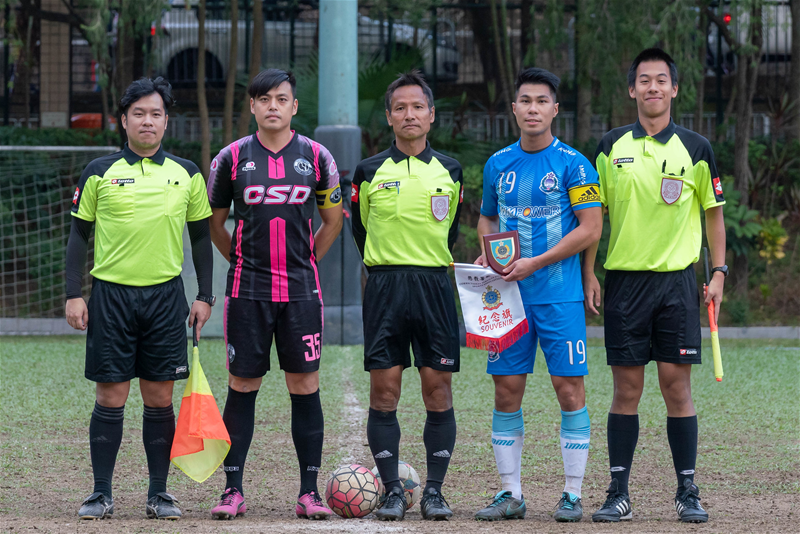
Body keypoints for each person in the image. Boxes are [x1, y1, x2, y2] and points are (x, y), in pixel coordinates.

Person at [586, 48, 726, 524]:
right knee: (626, 389)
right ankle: (618, 493)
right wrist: (589, 271)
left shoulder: (696, 148)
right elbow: (593, 217)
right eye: (644, 80)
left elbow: (713, 214)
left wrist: (719, 272)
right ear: (632, 90)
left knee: (676, 387)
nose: (652, 87)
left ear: (674, 89)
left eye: (661, 80)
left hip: (677, 287)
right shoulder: (610, 147)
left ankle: (687, 490)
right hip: (624, 284)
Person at [65, 77, 214, 520]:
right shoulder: (99, 171)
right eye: (139, 113)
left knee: (159, 397)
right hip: (110, 296)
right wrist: (73, 294)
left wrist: (205, 295)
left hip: (166, 297)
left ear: (167, 121)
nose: (147, 121)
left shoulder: (187, 173)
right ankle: (100, 494)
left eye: (155, 114)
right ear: (124, 120)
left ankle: (159, 494)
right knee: (110, 395)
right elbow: (78, 235)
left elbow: (201, 238)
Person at [206, 68, 343, 520]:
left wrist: (304, 262)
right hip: (247, 291)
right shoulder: (230, 158)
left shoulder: (318, 156)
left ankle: (309, 493)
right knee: (242, 385)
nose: (272, 106)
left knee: (304, 385)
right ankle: (232, 490)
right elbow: (215, 223)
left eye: (281, 99)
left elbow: (333, 221)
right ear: (252, 106)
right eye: (264, 99)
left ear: (294, 106)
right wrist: (242, 260)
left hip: (302, 292)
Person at [472, 68, 603, 522]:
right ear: (514, 108)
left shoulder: (575, 164)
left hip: (559, 295)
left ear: (555, 109)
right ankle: (511, 494)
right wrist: (488, 251)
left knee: (569, 388)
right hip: (508, 298)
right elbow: (487, 217)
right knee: (507, 390)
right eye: (525, 101)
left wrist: (536, 262)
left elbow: (591, 228)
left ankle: (572, 494)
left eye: (541, 101)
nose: (533, 109)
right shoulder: (497, 164)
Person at [350, 70, 463, 521]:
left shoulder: (451, 171)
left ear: (431, 115)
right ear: (389, 116)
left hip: (434, 286)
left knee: (438, 389)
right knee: (384, 391)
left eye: (418, 107)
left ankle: (434, 491)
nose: (409, 114)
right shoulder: (367, 172)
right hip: (385, 287)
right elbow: (360, 231)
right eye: (401, 108)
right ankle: (393, 490)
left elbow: (450, 232)